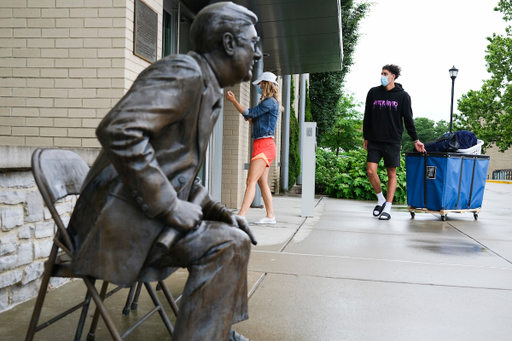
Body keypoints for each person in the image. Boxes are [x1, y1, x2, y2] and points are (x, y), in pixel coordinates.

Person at [67, 3, 260, 340]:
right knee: (226, 244)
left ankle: (216, 331)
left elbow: (179, 175)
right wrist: (169, 206)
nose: (258, 53)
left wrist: (217, 211)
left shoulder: (208, 88)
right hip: (115, 223)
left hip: (141, 216)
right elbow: (119, 130)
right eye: (253, 43)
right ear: (229, 44)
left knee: (235, 234)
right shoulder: (185, 73)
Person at [363, 64, 426, 220]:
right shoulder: (373, 92)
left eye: (385, 74)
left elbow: (408, 119)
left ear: (393, 76)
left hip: (392, 141)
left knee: (392, 173)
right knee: (371, 171)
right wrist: (366, 136)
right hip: (375, 140)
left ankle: (388, 208)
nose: (382, 76)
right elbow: (367, 115)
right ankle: (381, 200)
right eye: (382, 73)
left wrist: (415, 139)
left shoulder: (403, 96)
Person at [225, 71, 280, 224]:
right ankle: (271, 216)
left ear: (266, 84)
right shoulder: (268, 102)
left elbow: (249, 112)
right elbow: (252, 118)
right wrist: (250, 118)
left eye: (261, 83)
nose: (259, 86)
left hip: (264, 146)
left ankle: (241, 216)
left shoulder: (269, 102)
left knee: (250, 181)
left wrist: (234, 101)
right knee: (261, 182)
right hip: (263, 145)